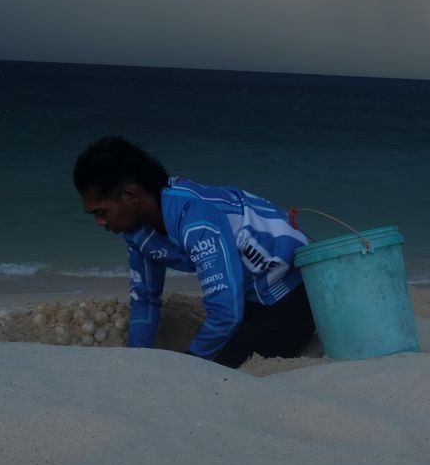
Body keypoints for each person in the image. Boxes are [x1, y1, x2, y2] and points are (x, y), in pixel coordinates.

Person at [72, 136, 316, 368]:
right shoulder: (136, 231)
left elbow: (226, 312)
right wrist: (137, 360)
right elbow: (145, 298)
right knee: (215, 351)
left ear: (130, 196)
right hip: (252, 295)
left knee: (221, 369)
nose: (100, 223)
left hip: (298, 291)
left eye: (101, 212)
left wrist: (189, 366)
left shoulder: (194, 217)